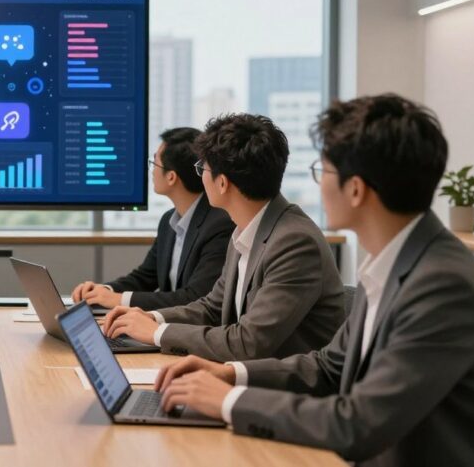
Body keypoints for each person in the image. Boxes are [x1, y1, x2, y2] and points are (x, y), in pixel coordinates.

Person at [154, 94, 474, 466]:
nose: (317, 185)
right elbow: (327, 367)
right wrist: (229, 374)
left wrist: (228, 401)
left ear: (356, 189)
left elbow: (358, 424)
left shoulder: (441, 284)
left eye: (322, 171)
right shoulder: (397, 262)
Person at [104, 114, 344, 361]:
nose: (200, 176)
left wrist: (158, 333)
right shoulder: (245, 229)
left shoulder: (294, 242)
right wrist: (152, 318)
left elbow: (248, 343)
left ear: (222, 183)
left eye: (202, 168)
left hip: (284, 391)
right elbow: (212, 307)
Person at [72, 127, 234, 309]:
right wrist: (103, 291)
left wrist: (118, 300)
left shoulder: (220, 225)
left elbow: (195, 298)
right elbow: (145, 277)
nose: (151, 171)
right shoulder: (169, 221)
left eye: (154, 163)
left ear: (171, 177)